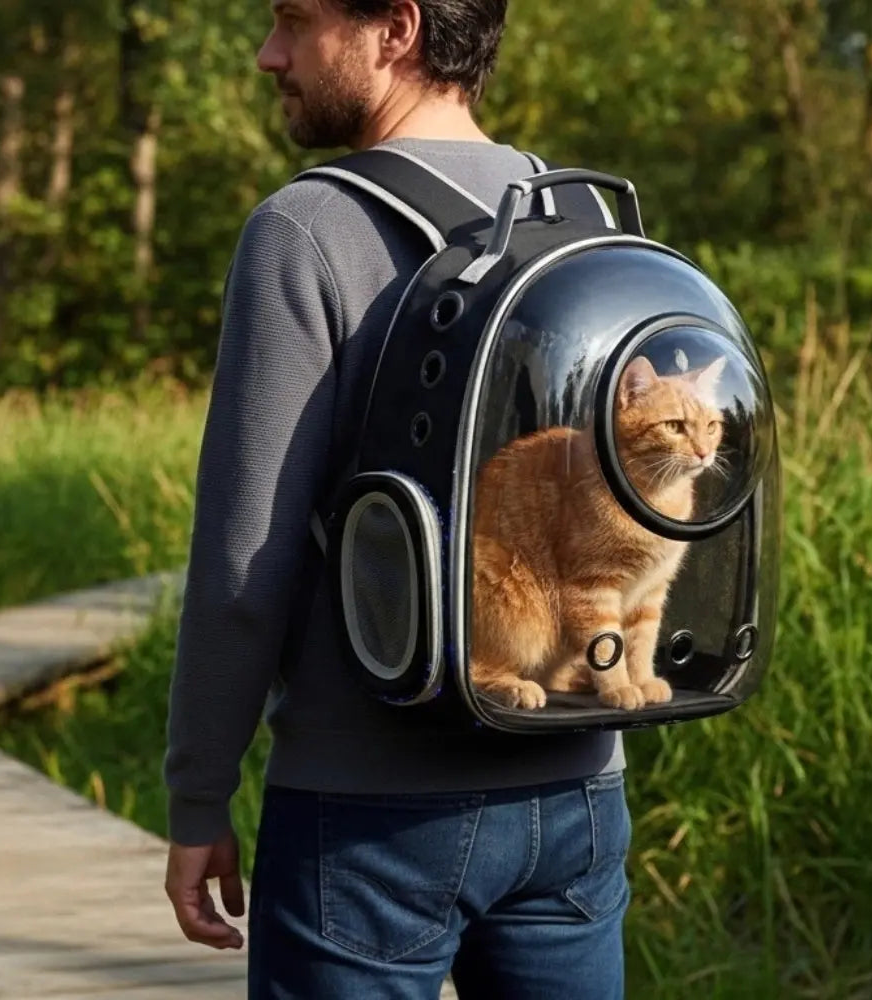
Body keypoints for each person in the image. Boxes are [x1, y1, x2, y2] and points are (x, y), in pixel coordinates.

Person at [163, 1, 632, 997]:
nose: (267, 54)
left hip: (368, 813)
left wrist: (198, 795)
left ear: (396, 28)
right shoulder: (582, 216)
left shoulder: (307, 226)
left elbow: (247, 565)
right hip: (578, 784)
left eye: (295, 20)